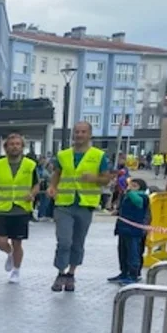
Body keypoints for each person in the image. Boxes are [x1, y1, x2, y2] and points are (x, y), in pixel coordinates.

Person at [47, 121, 112, 292]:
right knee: (64, 241)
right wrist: (52, 187)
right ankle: (60, 272)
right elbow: (57, 174)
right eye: (77, 132)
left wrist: (95, 178)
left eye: (83, 132)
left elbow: (106, 179)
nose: (79, 135)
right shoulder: (63, 155)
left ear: (89, 135)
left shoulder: (98, 156)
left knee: (77, 242)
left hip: (85, 204)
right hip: (64, 203)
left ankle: (71, 274)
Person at [0, 133, 40, 284]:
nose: (14, 147)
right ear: (6, 147)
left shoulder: (30, 165)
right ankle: (9, 253)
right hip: (3, 208)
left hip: (21, 208)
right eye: (11, 144)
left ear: (22, 147)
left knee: (17, 242)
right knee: (0, 241)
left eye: (18, 144)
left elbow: (36, 184)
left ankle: (16, 270)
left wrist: (32, 194)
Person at [109, 178, 150, 284]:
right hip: (123, 228)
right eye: (130, 185)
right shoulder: (126, 196)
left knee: (133, 252)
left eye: (134, 186)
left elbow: (138, 203)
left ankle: (133, 274)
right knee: (123, 252)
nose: (131, 187)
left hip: (134, 230)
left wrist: (130, 192)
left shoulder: (143, 197)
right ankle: (124, 272)